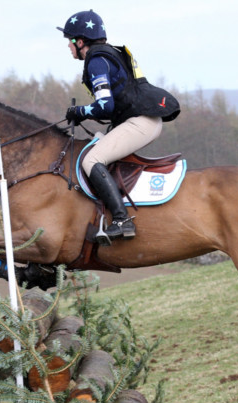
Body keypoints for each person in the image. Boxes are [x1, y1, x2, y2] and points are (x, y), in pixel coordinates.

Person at [57, 10, 180, 242]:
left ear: (80, 41)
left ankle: (122, 221)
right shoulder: (109, 53)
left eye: (69, 41)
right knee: (97, 147)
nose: (68, 47)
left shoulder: (96, 61)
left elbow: (105, 106)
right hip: (141, 119)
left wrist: (79, 112)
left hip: (140, 122)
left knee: (91, 160)